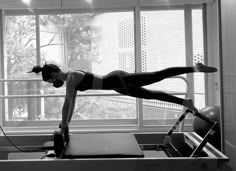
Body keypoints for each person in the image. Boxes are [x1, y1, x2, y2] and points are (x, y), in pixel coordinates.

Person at [29, 63, 217, 132]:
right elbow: (71, 105)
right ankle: (186, 102)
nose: (50, 83)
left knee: (156, 76)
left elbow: (67, 103)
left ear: (52, 75)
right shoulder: (71, 80)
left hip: (118, 79)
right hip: (119, 86)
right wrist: (66, 125)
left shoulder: (70, 78)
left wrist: (64, 126)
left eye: (48, 80)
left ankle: (195, 68)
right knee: (150, 95)